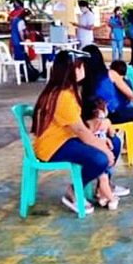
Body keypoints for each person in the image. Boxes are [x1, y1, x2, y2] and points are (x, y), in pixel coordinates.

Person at [32, 51, 119, 215]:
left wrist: (101, 142)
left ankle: (102, 186)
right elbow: (80, 130)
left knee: (112, 143)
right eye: (79, 67)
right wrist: (102, 148)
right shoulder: (63, 96)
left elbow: (80, 129)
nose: (83, 70)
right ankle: (74, 190)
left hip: (66, 140)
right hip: (52, 147)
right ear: (69, 71)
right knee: (101, 158)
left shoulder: (69, 92)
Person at [82, 45, 133, 162]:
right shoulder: (111, 74)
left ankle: (126, 146)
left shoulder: (83, 79)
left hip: (93, 117)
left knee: (132, 112)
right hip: (114, 114)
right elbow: (131, 95)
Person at [81, 96, 127, 210]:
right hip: (99, 157)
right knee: (104, 177)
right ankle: (110, 198)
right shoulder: (104, 123)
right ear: (98, 112)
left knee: (103, 177)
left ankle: (103, 196)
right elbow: (112, 134)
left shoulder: (86, 125)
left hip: (97, 155)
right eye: (104, 107)